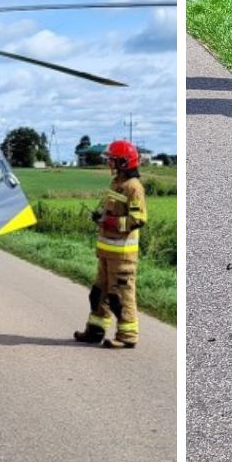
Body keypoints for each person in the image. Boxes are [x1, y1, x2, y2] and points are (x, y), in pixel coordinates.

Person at [73, 139, 147, 349]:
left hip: (122, 256)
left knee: (121, 297)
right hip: (106, 253)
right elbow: (111, 210)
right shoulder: (116, 183)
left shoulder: (133, 187)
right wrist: (101, 217)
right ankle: (95, 331)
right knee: (99, 293)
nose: (109, 164)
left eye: (113, 160)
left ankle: (127, 336)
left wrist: (111, 222)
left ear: (124, 162)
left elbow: (138, 219)